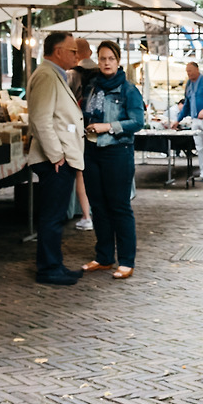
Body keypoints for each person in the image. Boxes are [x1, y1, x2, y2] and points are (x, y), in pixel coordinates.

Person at [80, 41, 145, 280]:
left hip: (117, 151)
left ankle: (127, 260)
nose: (106, 63)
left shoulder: (129, 90)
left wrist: (109, 126)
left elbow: (138, 122)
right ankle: (104, 256)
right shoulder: (92, 87)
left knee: (119, 207)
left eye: (110, 58)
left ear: (118, 61)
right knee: (98, 206)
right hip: (92, 150)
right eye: (102, 58)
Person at [27, 31, 86, 285]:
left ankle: (54, 265)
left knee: (56, 215)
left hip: (60, 158)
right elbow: (41, 119)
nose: (77, 55)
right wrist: (56, 155)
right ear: (58, 51)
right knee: (52, 216)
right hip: (55, 160)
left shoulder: (53, 75)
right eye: (73, 50)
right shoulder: (46, 76)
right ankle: (49, 268)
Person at [174, 61, 203, 183]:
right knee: (199, 147)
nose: (188, 73)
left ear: (197, 70)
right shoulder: (189, 84)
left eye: (190, 71)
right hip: (195, 119)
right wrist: (178, 119)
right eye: (187, 71)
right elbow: (187, 105)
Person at [69, 38, 97, 231]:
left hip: (78, 127)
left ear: (77, 54)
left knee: (80, 171)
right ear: (91, 53)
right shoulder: (102, 72)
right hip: (100, 126)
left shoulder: (71, 74)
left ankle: (86, 216)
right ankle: (98, 211)